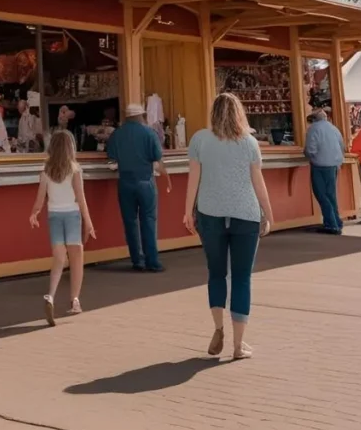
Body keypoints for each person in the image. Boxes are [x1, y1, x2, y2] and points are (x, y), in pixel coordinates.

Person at [184, 92, 274, 361]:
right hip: (245, 214)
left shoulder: (199, 139)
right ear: (239, 113)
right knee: (242, 277)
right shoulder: (249, 142)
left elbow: (194, 178)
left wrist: (187, 211)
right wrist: (268, 214)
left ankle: (218, 327)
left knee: (216, 273)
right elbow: (258, 182)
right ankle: (239, 344)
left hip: (210, 213)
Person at [30, 130, 96, 325]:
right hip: (72, 216)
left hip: (54, 216)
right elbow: (81, 199)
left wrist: (34, 214)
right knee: (76, 258)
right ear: (70, 148)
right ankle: (75, 300)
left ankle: (50, 295)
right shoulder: (75, 170)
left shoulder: (45, 170)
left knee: (59, 258)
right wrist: (89, 223)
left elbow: (40, 199)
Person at [105, 101, 170, 272]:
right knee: (148, 221)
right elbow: (157, 158)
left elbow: (111, 163)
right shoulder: (149, 133)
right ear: (141, 115)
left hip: (125, 182)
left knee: (130, 222)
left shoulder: (116, 135)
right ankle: (152, 261)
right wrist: (167, 178)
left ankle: (137, 260)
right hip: (145, 181)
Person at [304, 109, 347, 234]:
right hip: (334, 165)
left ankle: (331, 224)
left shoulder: (313, 129)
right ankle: (336, 221)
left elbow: (311, 149)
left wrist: (307, 154)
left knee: (322, 195)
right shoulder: (334, 129)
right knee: (331, 195)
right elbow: (342, 146)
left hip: (320, 165)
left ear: (313, 119)